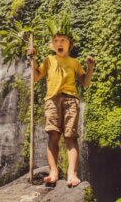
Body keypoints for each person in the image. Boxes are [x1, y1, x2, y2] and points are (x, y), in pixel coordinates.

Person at [27, 28, 95, 187]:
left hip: (71, 100)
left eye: (63, 41)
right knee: (53, 136)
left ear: (69, 44)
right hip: (52, 100)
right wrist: (33, 59)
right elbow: (36, 77)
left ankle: (72, 174)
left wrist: (90, 67)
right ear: (52, 45)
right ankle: (54, 172)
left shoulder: (74, 62)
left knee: (70, 137)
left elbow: (85, 82)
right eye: (56, 41)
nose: (59, 43)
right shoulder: (48, 60)